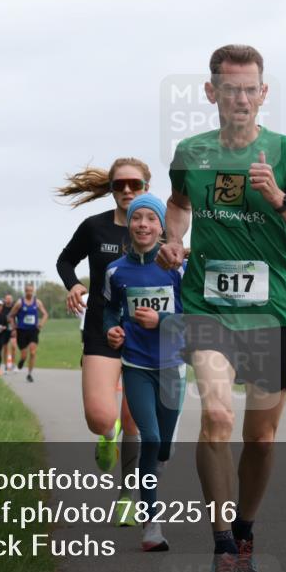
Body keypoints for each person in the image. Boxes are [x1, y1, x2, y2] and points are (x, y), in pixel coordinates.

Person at [157, 44, 286, 572]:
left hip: (273, 310)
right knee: (215, 414)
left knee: (260, 437)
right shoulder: (191, 151)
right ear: (210, 92)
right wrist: (173, 239)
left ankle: (247, 531)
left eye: (249, 88)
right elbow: (180, 202)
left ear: (263, 93)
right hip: (208, 306)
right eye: (228, 88)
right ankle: (223, 545)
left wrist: (280, 199)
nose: (239, 97)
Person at [56, 157, 147, 525]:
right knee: (101, 416)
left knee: (135, 419)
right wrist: (74, 284)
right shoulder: (94, 228)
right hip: (100, 331)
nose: (127, 190)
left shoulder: (157, 229)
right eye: (120, 184)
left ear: (145, 188)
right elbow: (65, 261)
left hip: (144, 335)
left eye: (135, 185)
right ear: (111, 189)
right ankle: (106, 435)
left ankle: (127, 497)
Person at [103, 194, 187, 552]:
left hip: (172, 365)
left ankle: (150, 474)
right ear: (129, 224)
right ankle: (151, 523)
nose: (142, 225)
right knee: (149, 438)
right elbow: (109, 310)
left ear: (161, 227)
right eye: (137, 218)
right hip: (136, 365)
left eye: (151, 219)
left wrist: (163, 319)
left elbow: (195, 317)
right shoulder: (116, 271)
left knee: (164, 447)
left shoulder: (178, 269)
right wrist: (113, 330)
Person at [9, 282, 49, 383]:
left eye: (31, 291)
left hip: (33, 331)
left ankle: (30, 374)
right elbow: (11, 316)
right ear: (25, 291)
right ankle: (21, 362)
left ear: (33, 291)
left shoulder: (37, 302)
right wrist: (14, 327)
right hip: (22, 331)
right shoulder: (19, 303)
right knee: (24, 355)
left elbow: (45, 314)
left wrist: (40, 325)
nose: (29, 293)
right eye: (27, 291)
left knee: (32, 352)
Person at [3, 293, 17, 370]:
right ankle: (5, 365)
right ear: (5, 300)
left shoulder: (15, 307)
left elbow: (17, 318)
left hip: (13, 330)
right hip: (4, 330)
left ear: (12, 300)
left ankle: (13, 364)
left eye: (10, 298)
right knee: (5, 348)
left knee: (13, 347)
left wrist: (15, 329)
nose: (8, 300)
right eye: (7, 298)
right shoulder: (2, 308)